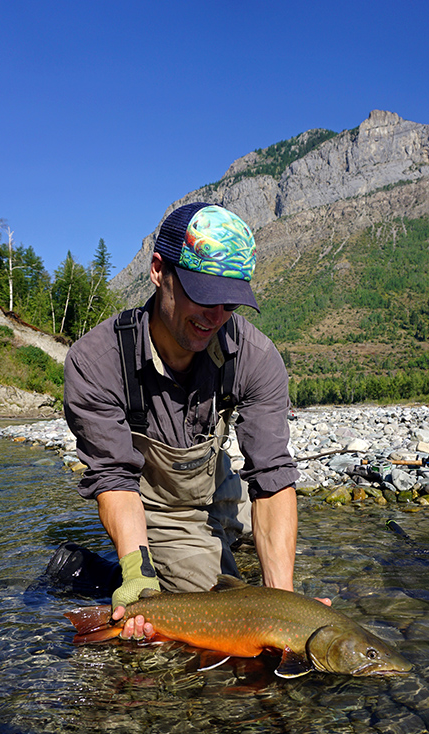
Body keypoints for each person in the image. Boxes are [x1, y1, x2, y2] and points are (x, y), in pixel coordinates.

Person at [64, 202, 298, 639]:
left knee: (270, 583)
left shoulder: (257, 357)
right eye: (203, 296)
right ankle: (103, 572)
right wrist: (138, 576)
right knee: (211, 614)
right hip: (157, 505)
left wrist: (281, 608)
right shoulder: (95, 362)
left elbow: (271, 477)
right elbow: (115, 480)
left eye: (229, 302)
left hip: (223, 487)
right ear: (158, 271)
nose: (216, 316)